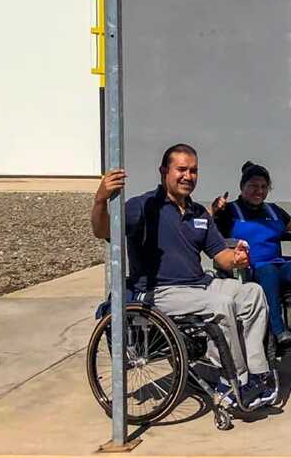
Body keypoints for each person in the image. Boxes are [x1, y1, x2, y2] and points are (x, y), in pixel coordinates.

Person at [90, 143, 276, 409]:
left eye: (194, 171)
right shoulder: (142, 207)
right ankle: (235, 381)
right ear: (164, 170)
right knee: (220, 305)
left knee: (252, 293)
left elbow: (220, 254)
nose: (188, 176)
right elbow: (102, 230)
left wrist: (236, 259)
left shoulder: (199, 213)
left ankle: (256, 372)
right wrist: (100, 199)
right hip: (159, 291)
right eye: (182, 169)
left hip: (198, 286)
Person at [214, 161, 291, 349]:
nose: (259, 191)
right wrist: (215, 212)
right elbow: (213, 239)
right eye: (253, 186)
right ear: (242, 187)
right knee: (269, 272)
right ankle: (278, 331)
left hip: (276, 262)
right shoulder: (230, 211)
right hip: (248, 268)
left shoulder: (274, 211)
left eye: (264, 187)